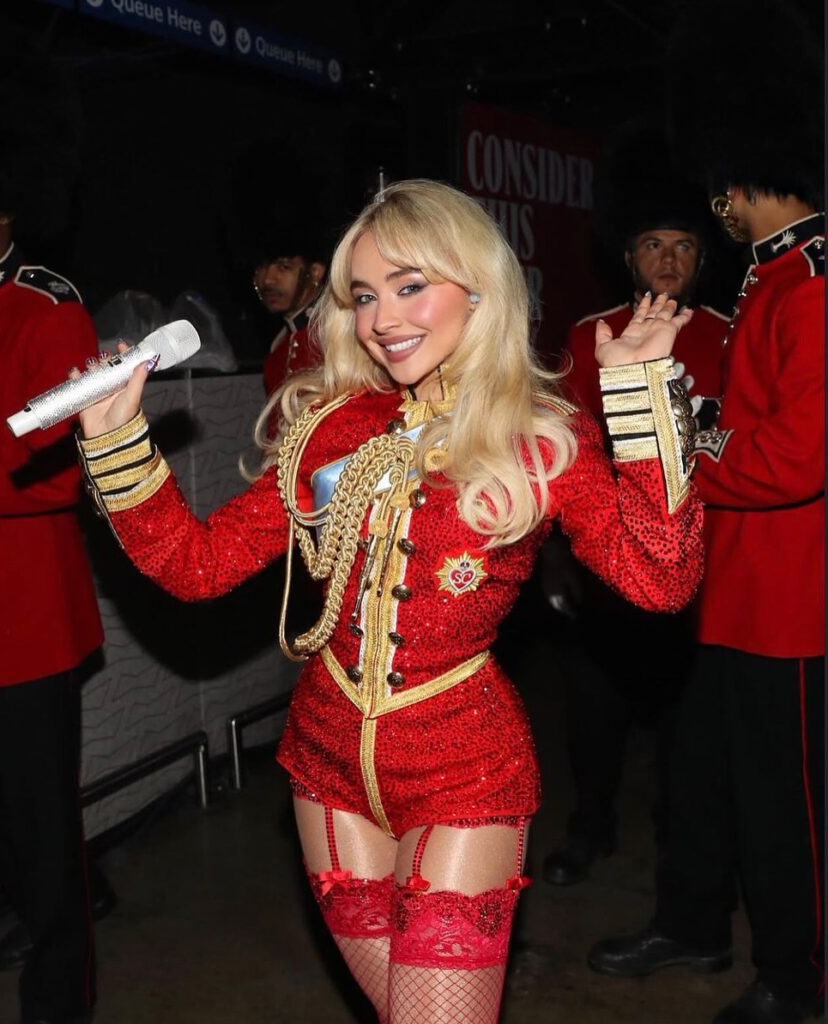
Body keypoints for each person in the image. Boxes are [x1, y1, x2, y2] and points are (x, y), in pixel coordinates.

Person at [75, 180, 702, 1023]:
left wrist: (639, 397)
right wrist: (117, 438)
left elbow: (660, 580)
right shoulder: (331, 426)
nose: (382, 319)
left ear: (478, 289)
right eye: (364, 296)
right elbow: (199, 566)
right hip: (325, 769)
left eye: (411, 287)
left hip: (464, 773)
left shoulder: (539, 435)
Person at [587, 4, 824, 1022]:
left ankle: (801, 975)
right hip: (729, 588)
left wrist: (685, 445)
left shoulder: (811, 286)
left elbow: (794, 459)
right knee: (705, 782)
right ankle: (692, 920)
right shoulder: (773, 280)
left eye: (720, 180)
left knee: (789, 810)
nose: (713, 202)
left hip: (789, 602)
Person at [0, 49, 113, 1024]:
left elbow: (58, 469)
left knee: (39, 822)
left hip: (26, 618)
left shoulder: (50, 305)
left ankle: (60, 999)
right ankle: (46, 896)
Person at [541, 195, 728, 886]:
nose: (670, 259)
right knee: (593, 712)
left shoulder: (726, 334)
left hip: (696, 568)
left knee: (688, 725)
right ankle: (590, 827)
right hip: (603, 564)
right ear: (629, 257)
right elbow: (563, 453)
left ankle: (680, 848)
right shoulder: (591, 335)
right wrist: (555, 556)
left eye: (684, 246)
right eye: (654, 243)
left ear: (702, 259)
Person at [252, 226, 328, 397]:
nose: (268, 280)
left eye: (284, 267)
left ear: (315, 272)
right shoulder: (279, 343)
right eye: (262, 268)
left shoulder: (337, 332)